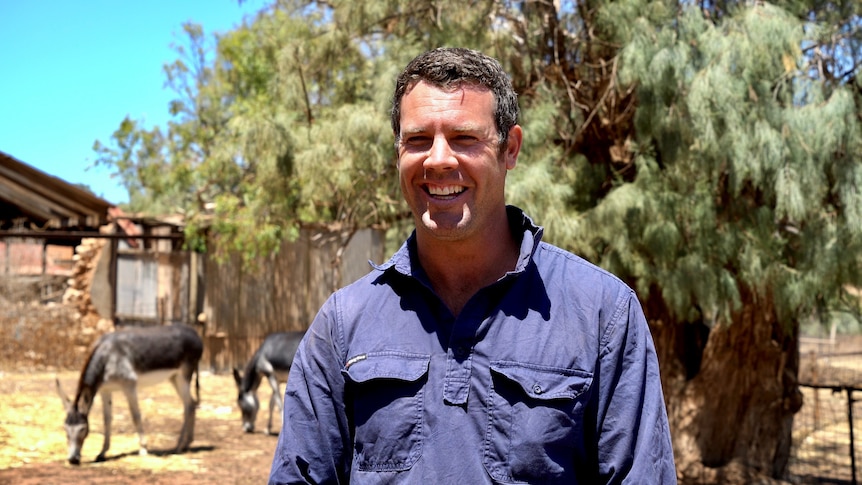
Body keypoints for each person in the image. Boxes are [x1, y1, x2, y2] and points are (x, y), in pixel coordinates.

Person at [269, 47, 677, 484]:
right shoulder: (343, 325)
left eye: (465, 138)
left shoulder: (601, 314)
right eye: (418, 139)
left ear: (510, 149)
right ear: (398, 153)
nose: (439, 159)